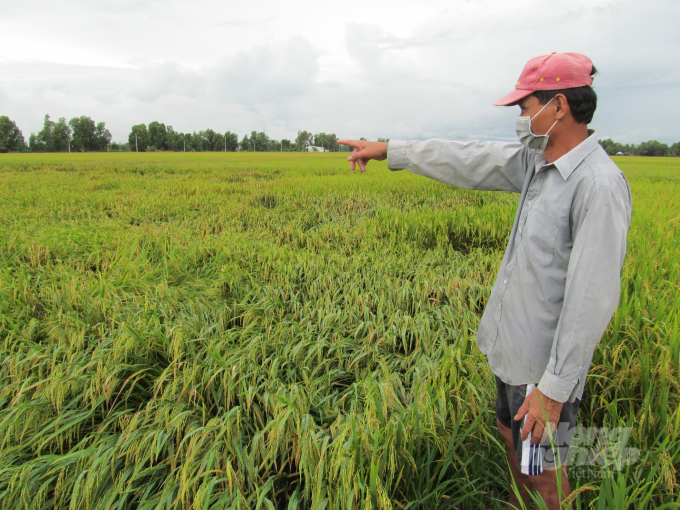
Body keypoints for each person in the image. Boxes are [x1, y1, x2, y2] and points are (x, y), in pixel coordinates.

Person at [338, 52, 632, 510]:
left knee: (547, 476)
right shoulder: (537, 162)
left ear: (558, 106)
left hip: (543, 371)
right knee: (511, 443)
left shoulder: (598, 185)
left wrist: (553, 394)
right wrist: (391, 151)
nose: (519, 117)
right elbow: (472, 158)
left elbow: (591, 300)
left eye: (523, 106)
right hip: (511, 352)